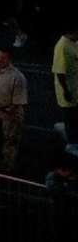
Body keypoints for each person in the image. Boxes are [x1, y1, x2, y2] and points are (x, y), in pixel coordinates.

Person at [54, 23, 78, 152]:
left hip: (75, 87)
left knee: (74, 115)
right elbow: (60, 72)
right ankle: (72, 145)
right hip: (68, 90)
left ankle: (66, 129)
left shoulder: (73, 43)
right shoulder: (62, 46)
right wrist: (66, 91)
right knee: (71, 115)